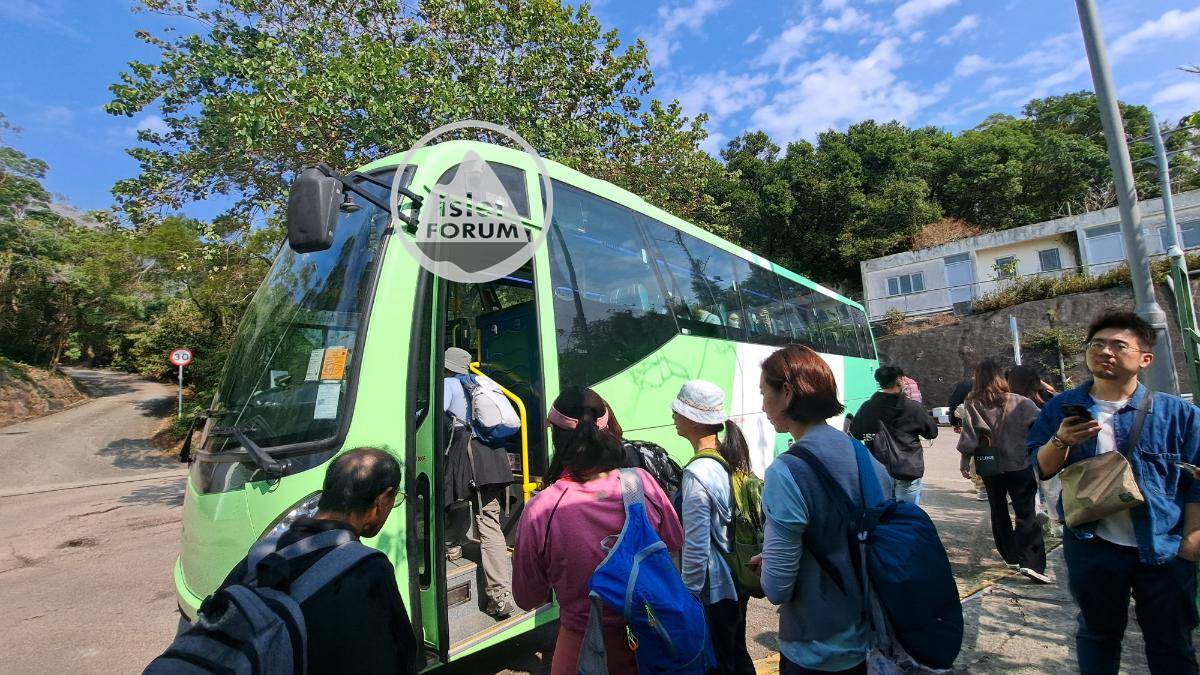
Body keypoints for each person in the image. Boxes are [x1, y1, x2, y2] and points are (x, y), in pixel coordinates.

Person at [1029, 310, 1200, 675]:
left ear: (1144, 359)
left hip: (1164, 549)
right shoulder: (1061, 408)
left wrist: (1192, 541)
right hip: (1093, 547)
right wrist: (1061, 440)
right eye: (1097, 344)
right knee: (1098, 636)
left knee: (1171, 642)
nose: (1105, 351)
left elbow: (1196, 482)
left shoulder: (1179, 414)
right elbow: (1041, 467)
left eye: (1118, 346)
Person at [512, 387, 683, 675]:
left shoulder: (543, 508)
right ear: (607, 430)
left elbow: (527, 597)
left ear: (556, 436)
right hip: (655, 643)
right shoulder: (642, 484)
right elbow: (675, 546)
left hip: (580, 651)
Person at [753, 345, 894, 675]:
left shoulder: (785, 473)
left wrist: (769, 564)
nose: (762, 405)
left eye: (764, 393)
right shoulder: (864, 457)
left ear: (786, 393)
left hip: (814, 650)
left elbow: (776, 588)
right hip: (871, 638)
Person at [215, 448, 418, 674]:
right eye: (394, 500)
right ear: (381, 501)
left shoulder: (263, 551)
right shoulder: (369, 568)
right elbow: (399, 660)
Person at [672, 380, 756, 675]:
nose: (673, 415)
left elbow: (696, 547)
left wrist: (688, 598)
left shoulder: (696, 473)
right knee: (736, 655)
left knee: (718, 663)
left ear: (693, 420)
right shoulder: (727, 458)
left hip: (714, 589)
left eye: (677, 410)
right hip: (736, 579)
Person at [957, 359, 1047, 583]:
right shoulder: (1021, 402)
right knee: (1025, 512)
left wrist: (964, 460)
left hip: (989, 464)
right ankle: (1032, 562)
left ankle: (1010, 555)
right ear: (1000, 377)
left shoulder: (973, 403)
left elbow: (969, 437)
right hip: (1019, 463)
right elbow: (1041, 427)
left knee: (998, 510)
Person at [442, 346, 515, 619]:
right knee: (489, 520)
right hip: (494, 457)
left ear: (446, 366)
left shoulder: (448, 385)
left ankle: (451, 546)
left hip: (469, 456)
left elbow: (429, 419)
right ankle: (502, 597)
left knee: (452, 501)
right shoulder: (484, 383)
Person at [849, 365, 938, 504]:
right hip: (908, 468)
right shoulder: (913, 407)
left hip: (878, 469)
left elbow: (856, 432)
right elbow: (931, 432)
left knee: (882, 515)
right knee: (907, 516)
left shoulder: (868, 407)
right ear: (899, 380)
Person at [1008, 365, 1062, 536]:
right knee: (1052, 487)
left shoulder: (1009, 400)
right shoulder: (1046, 398)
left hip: (1019, 449)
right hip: (1047, 448)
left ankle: (1035, 515)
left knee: (1028, 488)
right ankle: (1055, 522)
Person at [949, 374, 988, 502]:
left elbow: (954, 402)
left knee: (975, 452)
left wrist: (954, 422)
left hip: (972, 424)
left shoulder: (965, 387)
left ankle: (981, 487)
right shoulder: (1000, 392)